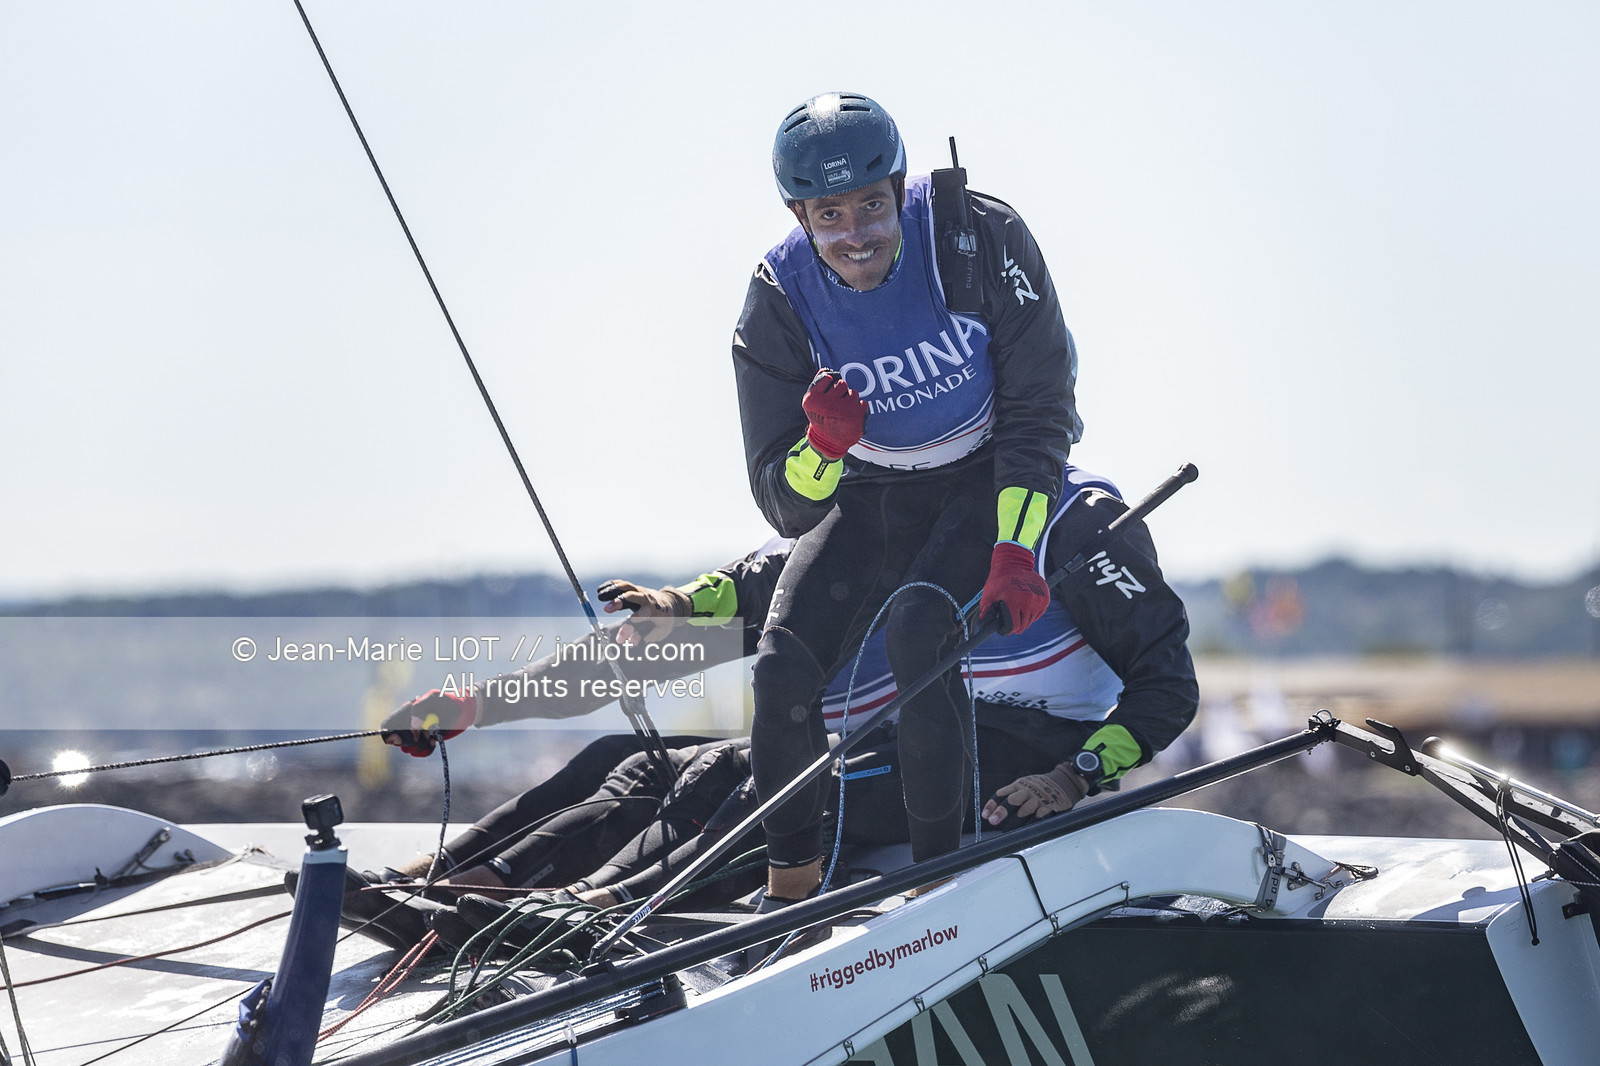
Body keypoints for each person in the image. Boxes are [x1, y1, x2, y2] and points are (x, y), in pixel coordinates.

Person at [376, 464, 1194, 951]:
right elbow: (629, 660)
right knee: (629, 761)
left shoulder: (1072, 524)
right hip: (874, 743)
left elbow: (1169, 685)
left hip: (1019, 751)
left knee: (753, 775)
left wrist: (1074, 774)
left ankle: (598, 910)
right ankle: (450, 880)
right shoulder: (836, 542)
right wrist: (474, 707)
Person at [731, 91, 1083, 908]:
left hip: (984, 472)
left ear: (898, 188)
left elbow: (1041, 412)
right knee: (783, 665)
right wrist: (821, 450)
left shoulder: (980, 237)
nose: (855, 234)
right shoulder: (777, 300)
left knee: (922, 629)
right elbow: (781, 504)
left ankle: (938, 887)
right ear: (799, 214)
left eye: (870, 205)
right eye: (829, 215)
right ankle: (789, 894)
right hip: (873, 491)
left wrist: (1014, 548)